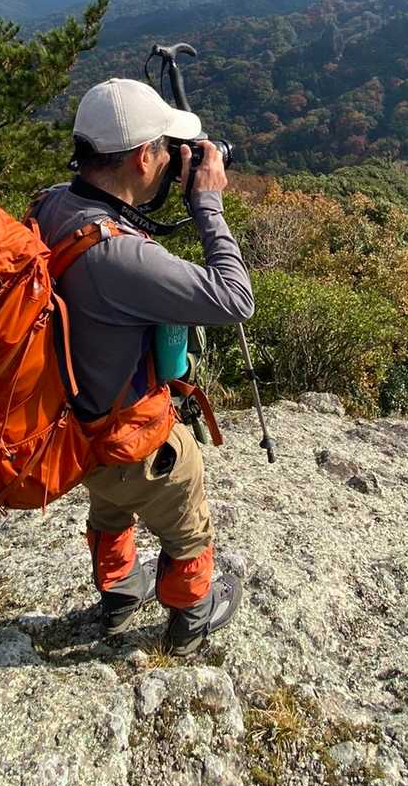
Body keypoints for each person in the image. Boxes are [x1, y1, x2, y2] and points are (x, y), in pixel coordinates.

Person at [32, 77, 254, 657]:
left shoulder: (52, 204)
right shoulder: (118, 254)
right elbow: (236, 300)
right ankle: (190, 619)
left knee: (109, 512)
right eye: (165, 149)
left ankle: (119, 596)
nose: (171, 159)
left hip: (77, 429)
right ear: (141, 157)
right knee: (188, 528)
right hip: (137, 440)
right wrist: (207, 203)